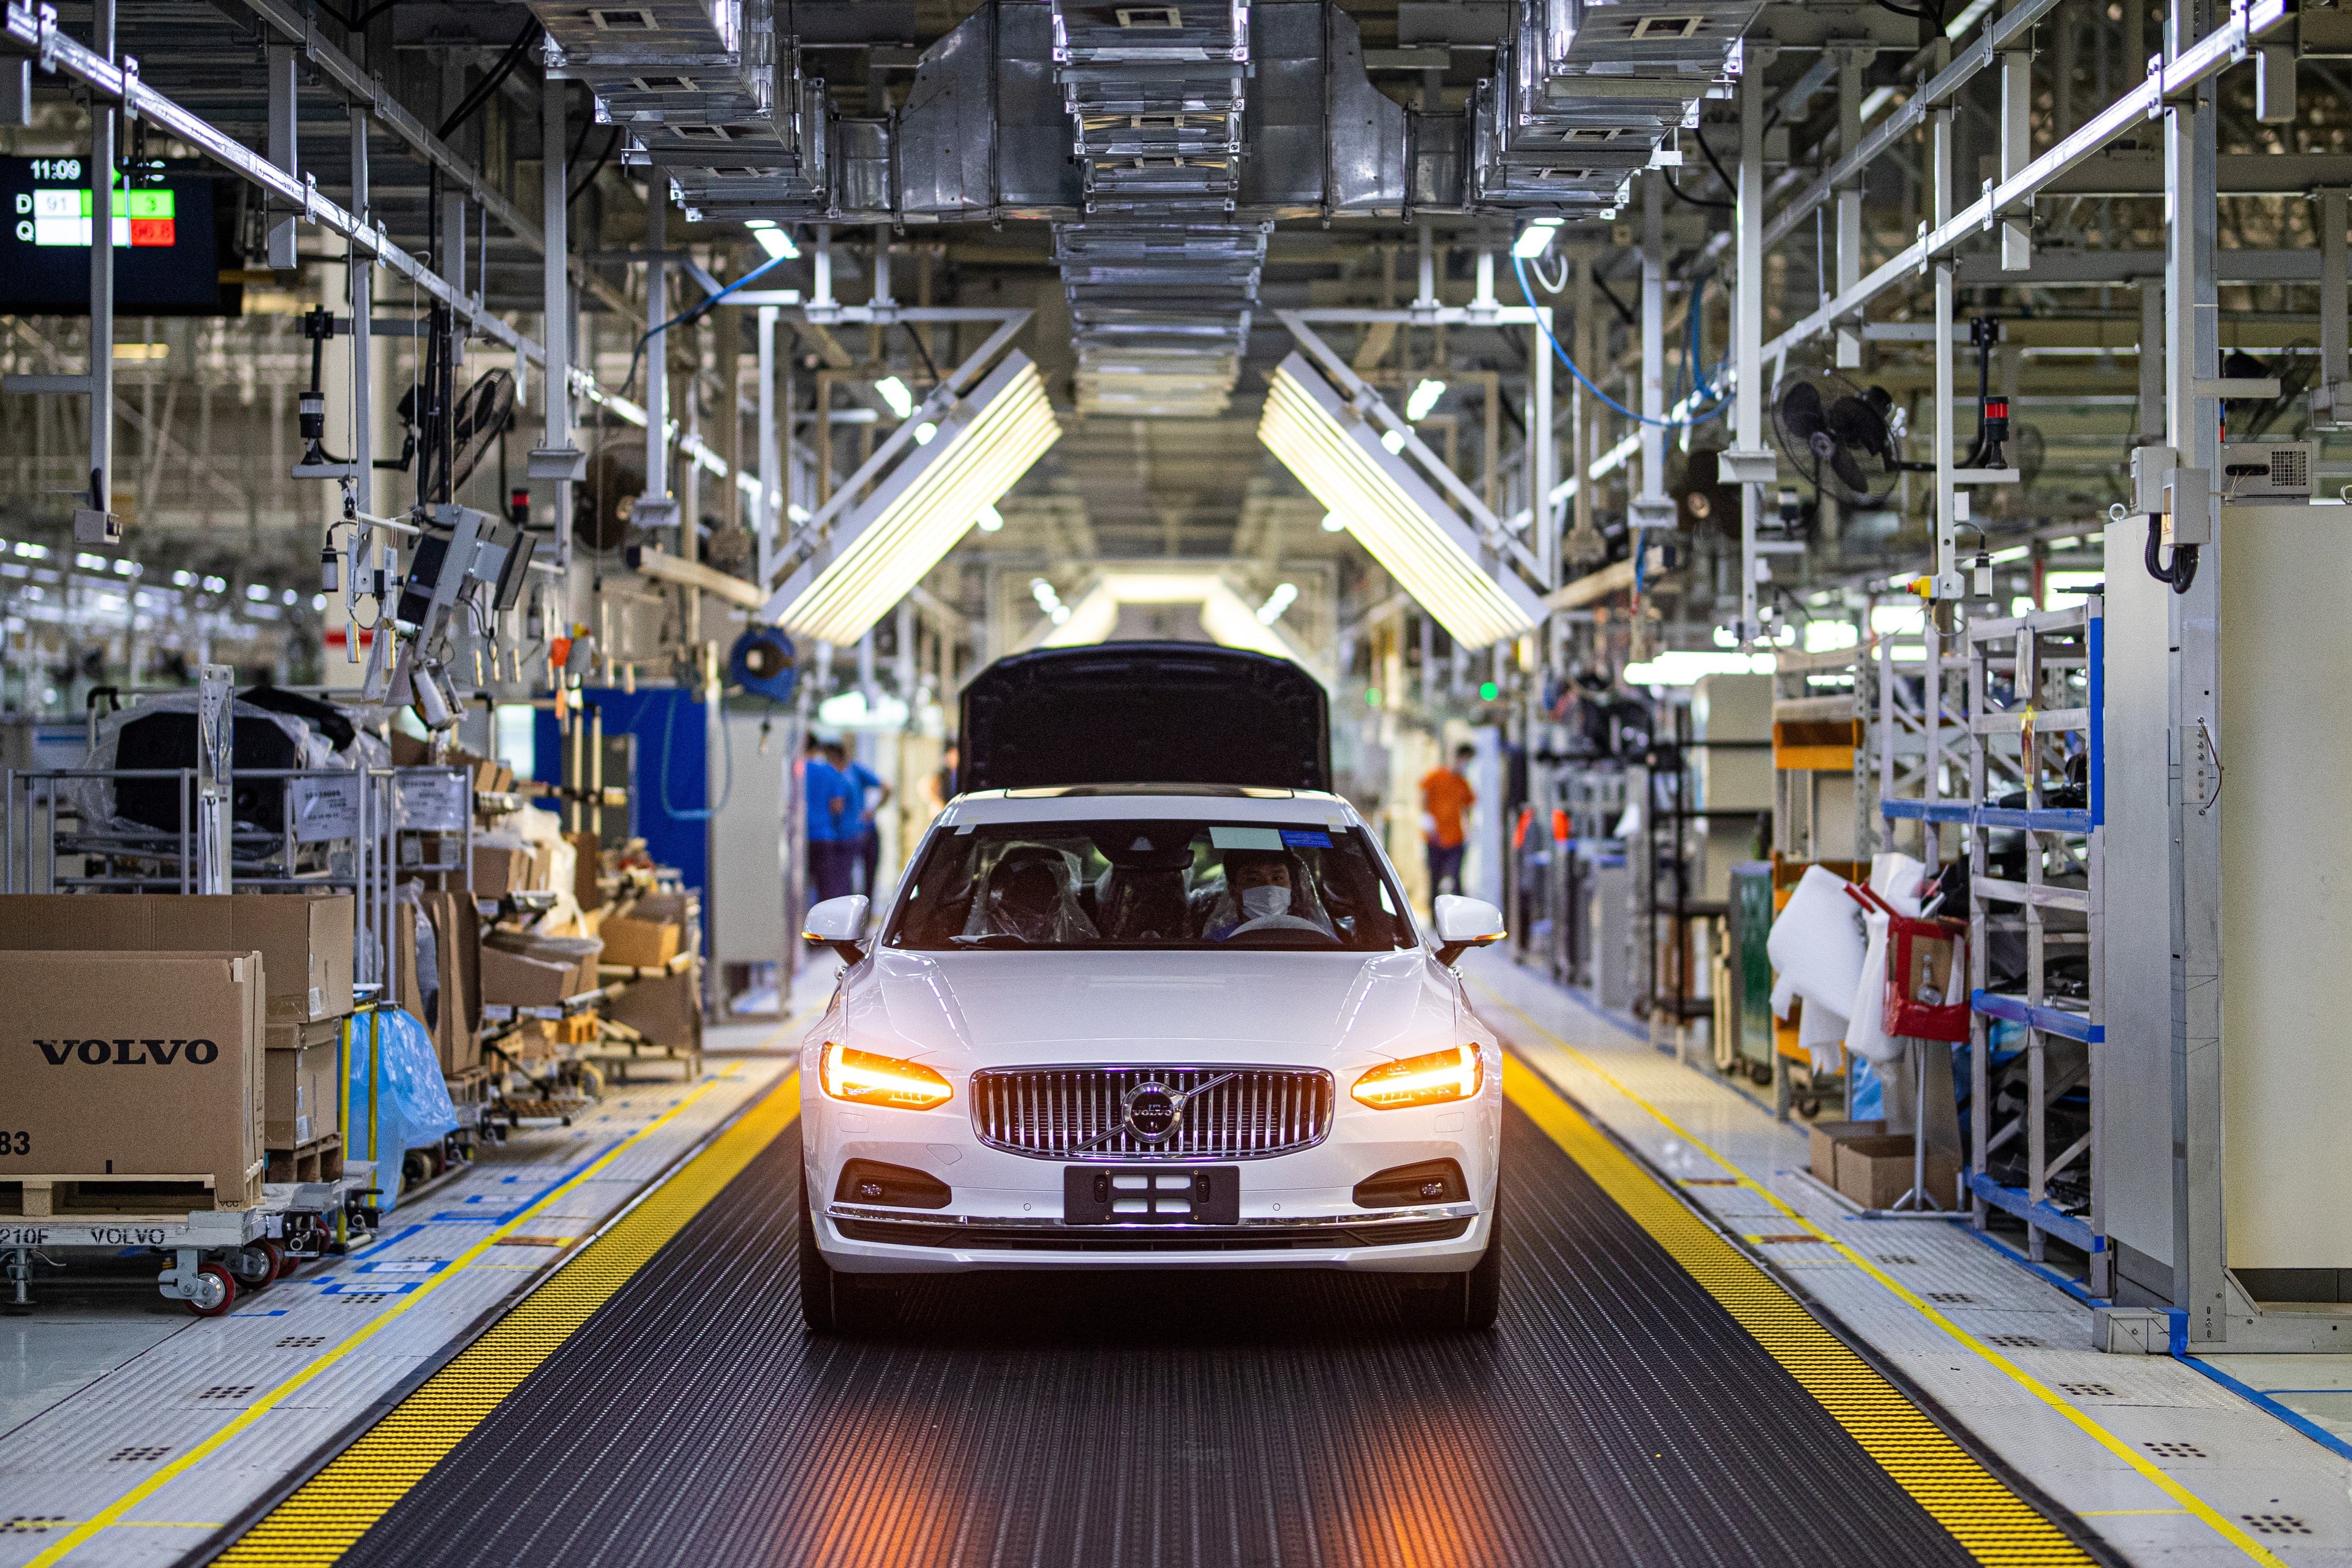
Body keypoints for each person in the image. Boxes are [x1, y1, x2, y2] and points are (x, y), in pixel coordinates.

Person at [825, 739, 892, 898]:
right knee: (845, 880)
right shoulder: (838, 774)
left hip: (859, 833)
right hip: (844, 835)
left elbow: (887, 788)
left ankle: (865, 916)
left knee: (864, 879)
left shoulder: (852, 770)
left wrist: (873, 810)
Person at [802, 734, 856, 908]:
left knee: (801, 887)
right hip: (824, 837)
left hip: (801, 839)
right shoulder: (828, 771)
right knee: (826, 888)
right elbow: (838, 805)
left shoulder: (797, 770)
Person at [1420, 743, 1477, 899]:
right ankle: (1434, 918)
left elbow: (1468, 808)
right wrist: (1427, 823)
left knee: (1456, 879)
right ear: (1459, 758)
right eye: (1466, 760)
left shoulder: (1463, 784)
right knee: (1435, 880)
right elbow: (1423, 797)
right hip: (1435, 838)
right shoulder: (1436, 776)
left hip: (1456, 839)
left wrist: (1469, 831)